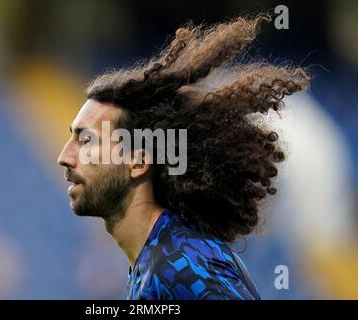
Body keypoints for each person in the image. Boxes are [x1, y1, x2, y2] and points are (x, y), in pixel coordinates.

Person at [57, 14, 309, 299]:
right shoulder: (154, 262)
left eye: (86, 140)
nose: (64, 156)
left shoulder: (181, 267)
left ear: (138, 163)